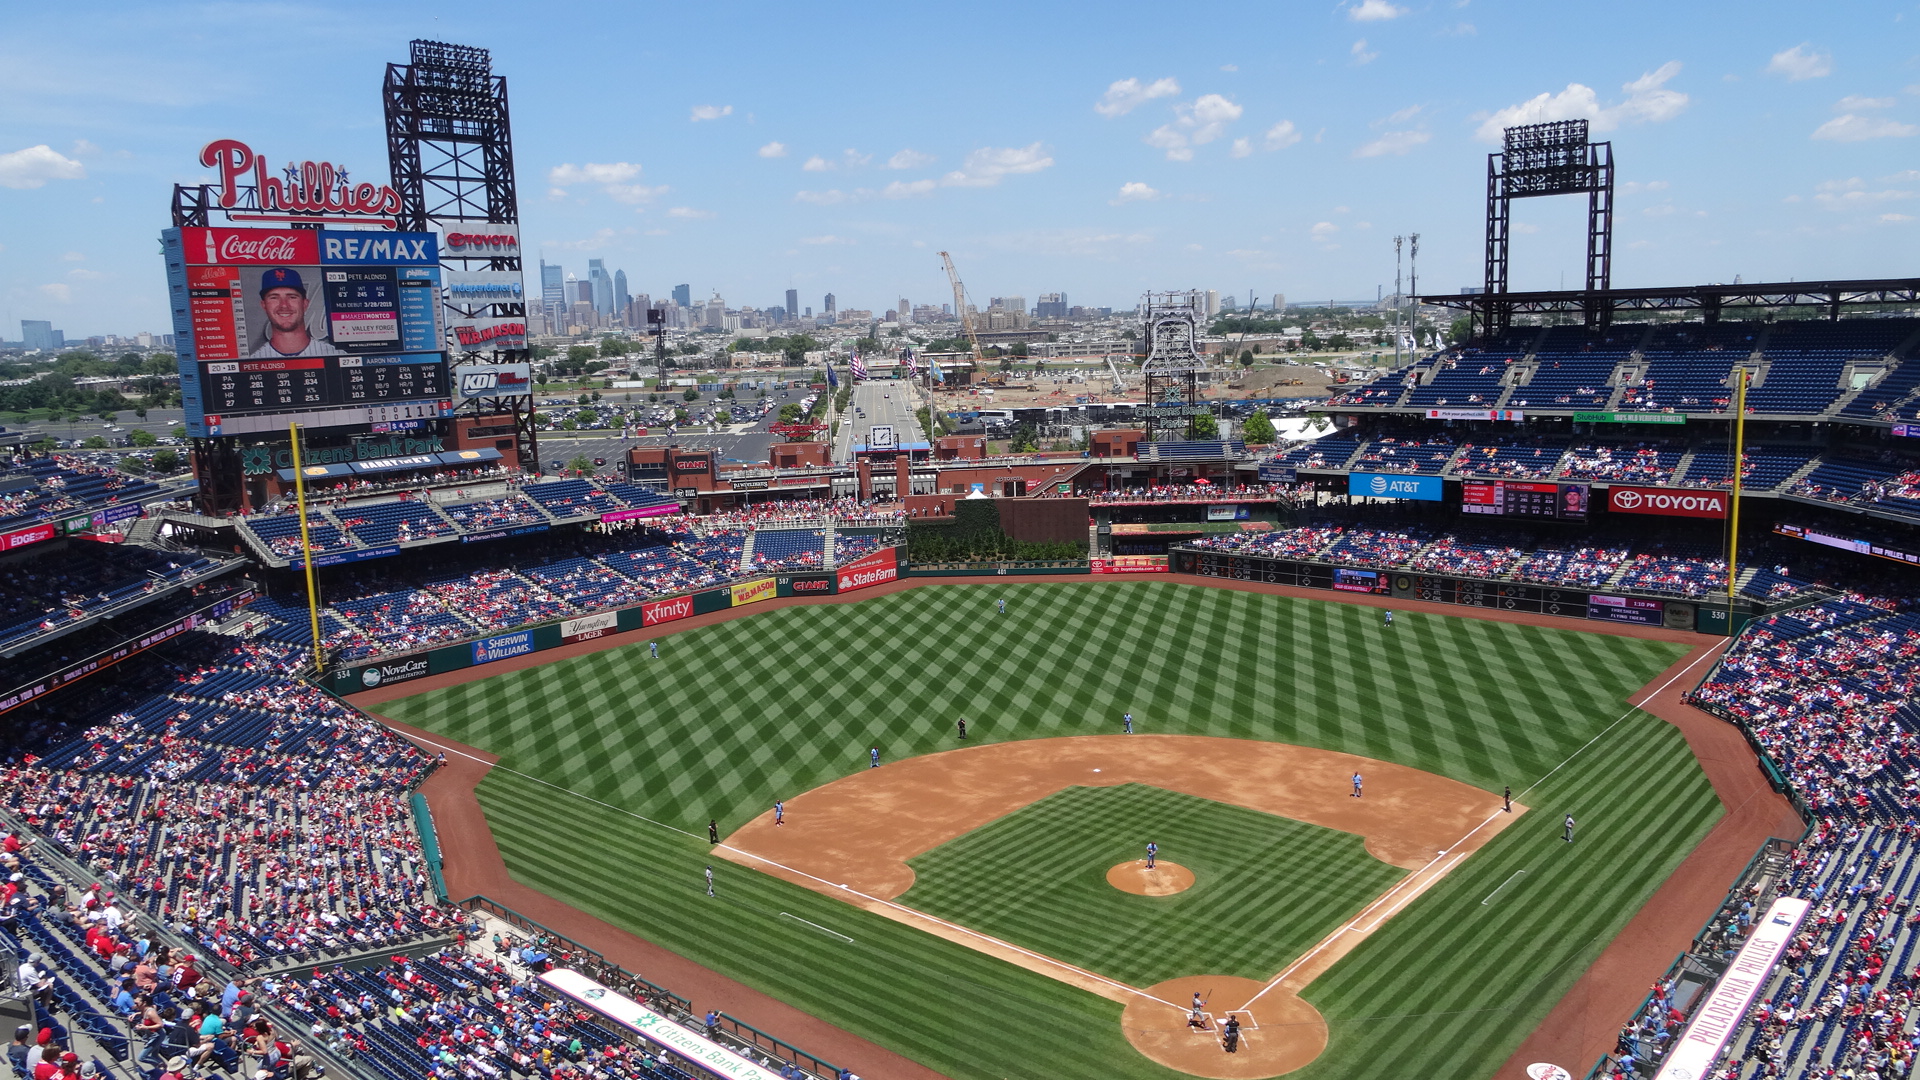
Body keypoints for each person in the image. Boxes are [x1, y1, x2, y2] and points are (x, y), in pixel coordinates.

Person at [248, 268, 338, 358]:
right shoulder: (251, 363)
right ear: (264, 305)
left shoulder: (335, 355)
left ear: (305, 304)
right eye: (274, 297)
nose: (284, 305)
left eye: (292, 297)